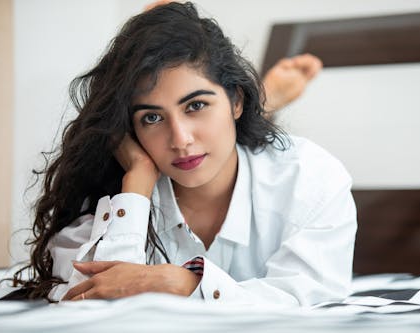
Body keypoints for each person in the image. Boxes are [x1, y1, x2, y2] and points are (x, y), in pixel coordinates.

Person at [20, 2, 356, 306]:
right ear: (128, 130)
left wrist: (185, 282)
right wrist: (136, 184)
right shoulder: (110, 186)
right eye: (151, 117)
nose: (180, 140)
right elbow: (89, 302)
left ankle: (261, 106)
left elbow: (312, 305)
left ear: (236, 100)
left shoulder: (310, 177)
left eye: (196, 105)